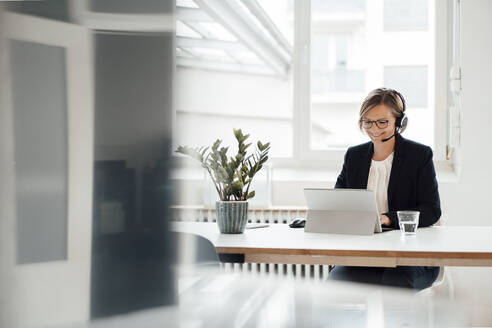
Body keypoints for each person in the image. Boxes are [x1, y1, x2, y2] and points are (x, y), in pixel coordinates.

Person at [328, 88, 441, 290]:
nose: (374, 128)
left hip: (410, 255)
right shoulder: (354, 156)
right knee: (336, 283)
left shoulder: (419, 155)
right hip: (365, 254)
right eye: (368, 122)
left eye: (382, 122)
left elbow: (431, 210)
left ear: (399, 123)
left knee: (394, 284)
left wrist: (388, 218)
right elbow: (339, 200)